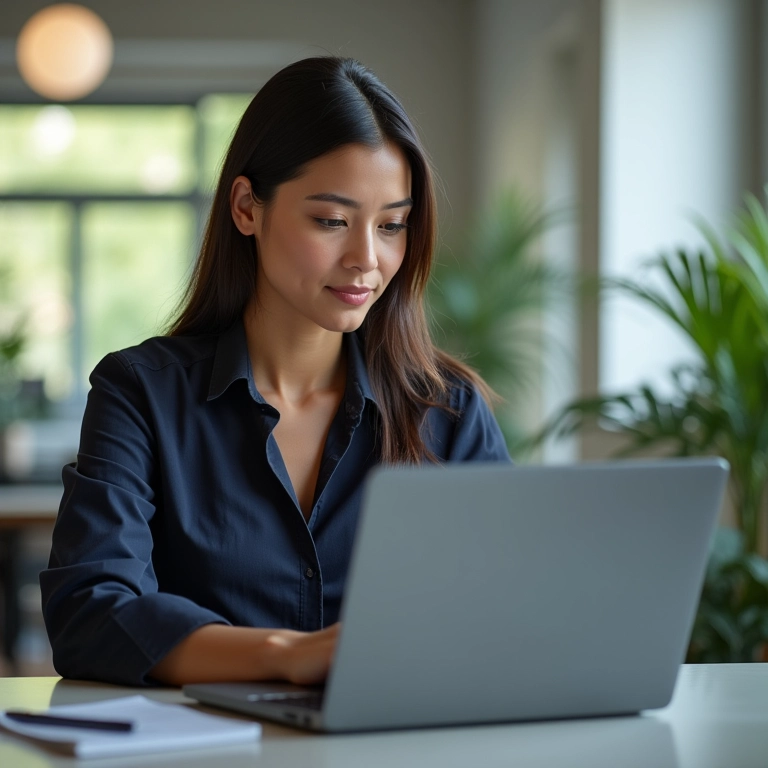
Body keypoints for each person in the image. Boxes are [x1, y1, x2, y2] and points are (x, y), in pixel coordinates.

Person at [40, 56, 511, 688]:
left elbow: (506, 615)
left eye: (392, 225)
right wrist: (287, 655)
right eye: (331, 221)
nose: (367, 259)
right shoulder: (141, 393)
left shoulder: (447, 412)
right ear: (246, 208)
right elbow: (91, 612)